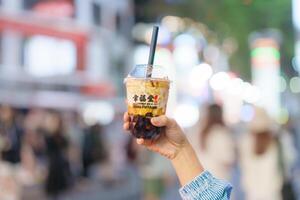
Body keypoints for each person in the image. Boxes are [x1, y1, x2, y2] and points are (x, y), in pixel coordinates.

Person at [123, 112, 232, 200]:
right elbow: (228, 158)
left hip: (199, 176)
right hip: (213, 176)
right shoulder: (221, 133)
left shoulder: (199, 130)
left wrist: (178, 151)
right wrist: (178, 151)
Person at [239, 107, 282, 200]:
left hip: (252, 191)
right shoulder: (274, 142)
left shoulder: (245, 141)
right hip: (272, 191)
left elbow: (243, 165)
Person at [199, 104, 235, 181]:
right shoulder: (222, 133)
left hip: (203, 179)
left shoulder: (201, 132)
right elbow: (228, 158)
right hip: (219, 178)